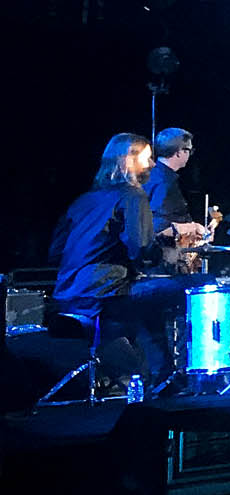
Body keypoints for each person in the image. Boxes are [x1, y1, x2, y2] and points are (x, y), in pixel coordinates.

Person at [49, 133, 185, 382]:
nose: (153, 165)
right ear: (128, 161)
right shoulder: (133, 195)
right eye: (148, 159)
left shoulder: (83, 201)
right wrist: (168, 253)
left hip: (66, 296)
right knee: (192, 288)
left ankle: (156, 375)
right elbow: (141, 250)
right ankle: (170, 376)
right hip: (106, 294)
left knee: (149, 302)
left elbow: (55, 252)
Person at [145, 127, 207, 273]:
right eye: (189, 151)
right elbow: (157, 226)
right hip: (163, 264)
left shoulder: (155, 176)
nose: (190, 155)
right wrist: (192, 227)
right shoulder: (164, 183)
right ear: (180, 152)